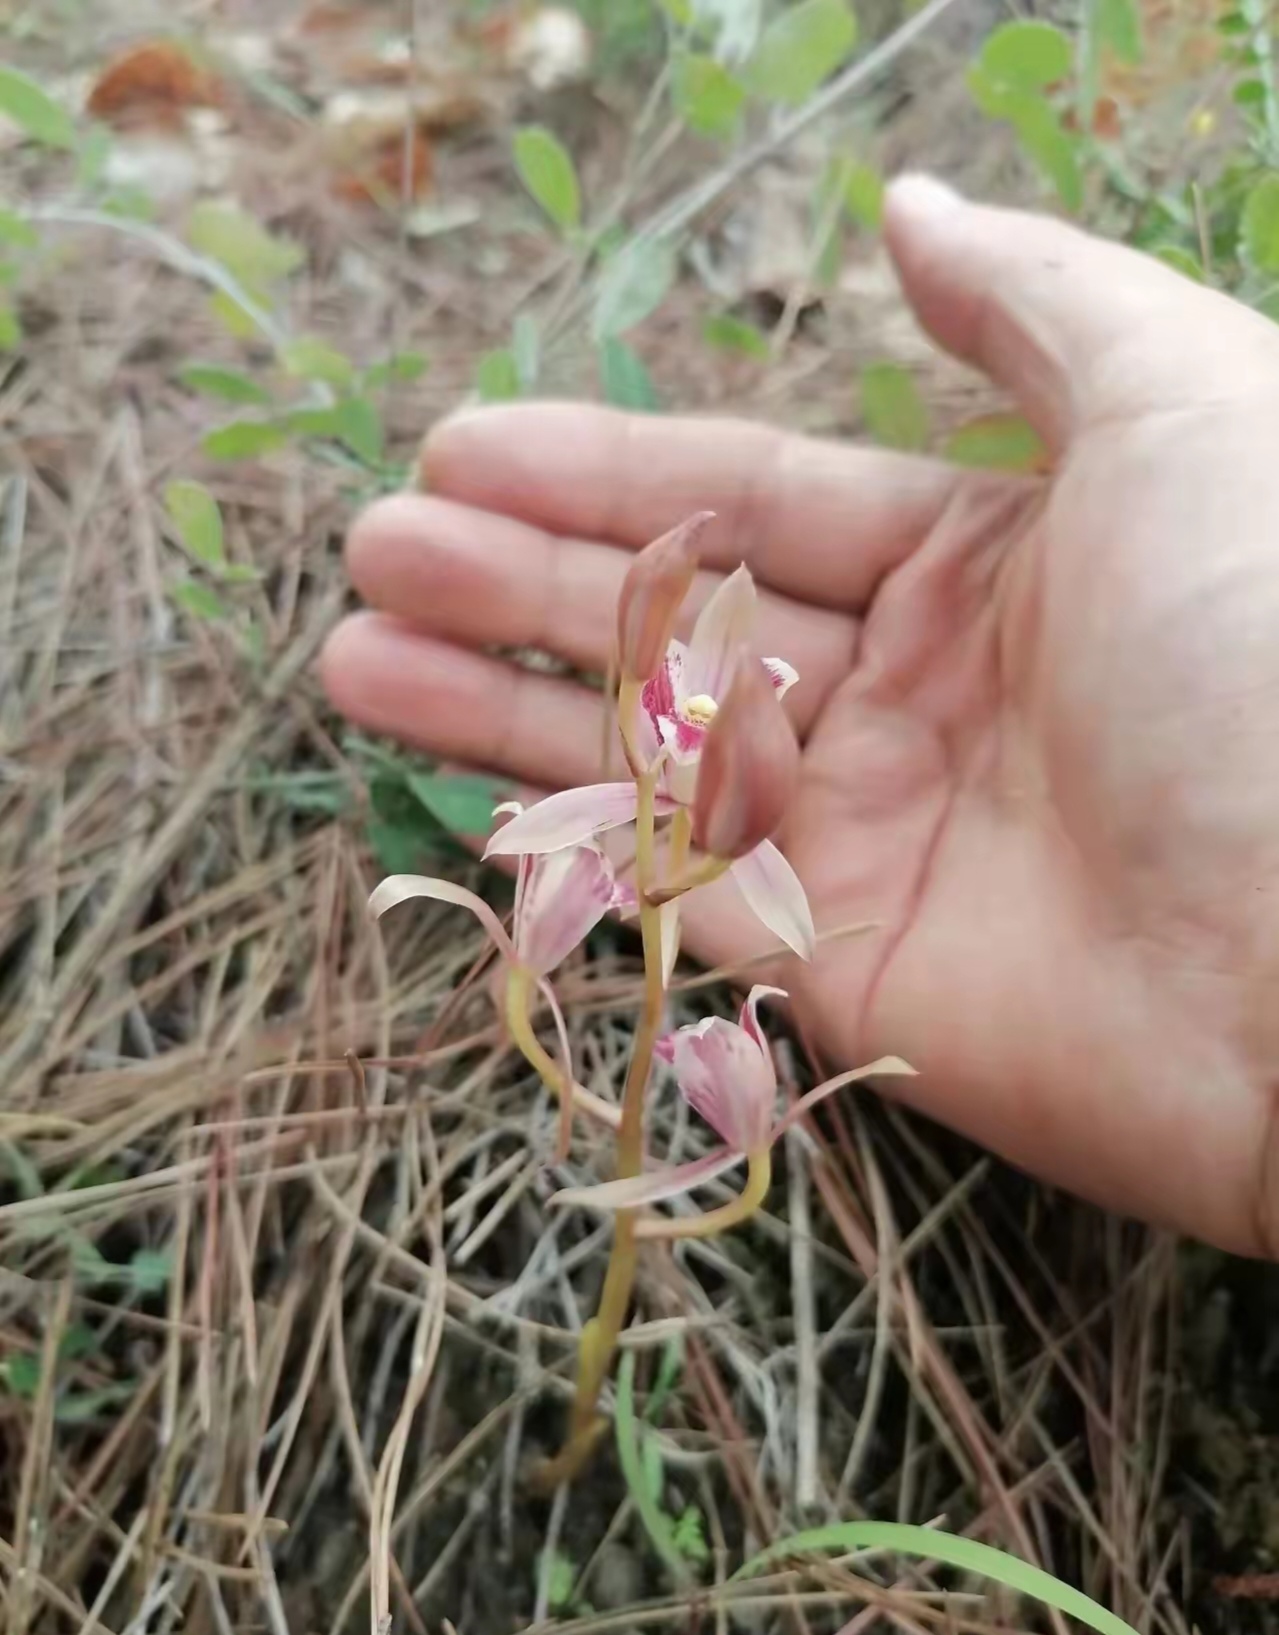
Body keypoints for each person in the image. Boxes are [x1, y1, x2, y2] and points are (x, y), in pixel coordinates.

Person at [321, 176, 1279, 1259]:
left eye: (715, 704)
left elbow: (746, 851)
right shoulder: (626, 808)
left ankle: (711, 1188)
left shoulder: (745, 848)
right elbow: (601, 814)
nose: (695, 715)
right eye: (680, 707)